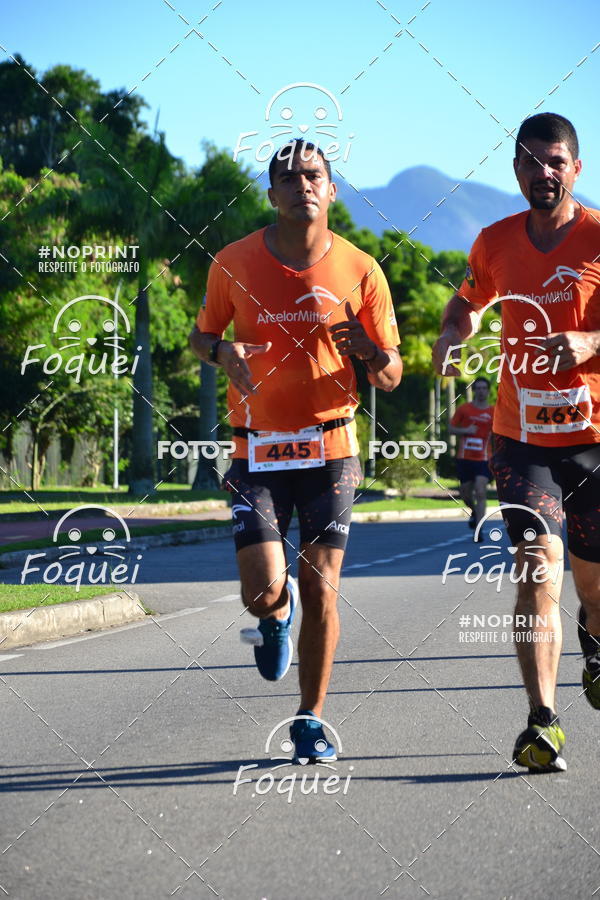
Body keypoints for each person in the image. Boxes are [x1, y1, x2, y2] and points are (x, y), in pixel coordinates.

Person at [190, 140, 402, 762]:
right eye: (288, 178)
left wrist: (367, 350)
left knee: (323, 586)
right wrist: (221, 352)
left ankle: (310, 718)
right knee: (261, 589)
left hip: (331, 448)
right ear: (271, 194)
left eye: (313, 176)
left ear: (331, 190)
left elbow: (392, 374)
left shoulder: (362, 269)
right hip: (255, 450)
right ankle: (271, 618)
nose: (301, 185)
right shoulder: (232, 263)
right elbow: (203, 335)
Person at [432, 112, 600, 773]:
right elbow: (468, 302)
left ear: (576, 168)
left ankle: (593, 643)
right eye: (531, 162)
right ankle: (543, 723)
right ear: (517, 171)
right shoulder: (495, 241)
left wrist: (591, 342)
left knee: (592, 583)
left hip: (594, 439)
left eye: (556, 161)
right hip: (521, 438)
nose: (544, 172)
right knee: (537, 567)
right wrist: (455, 332)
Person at [449, 376, 494, 533]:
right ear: (474, 391)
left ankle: (479, 528)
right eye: (478, 388)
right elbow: (451, 428)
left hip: (483, 459)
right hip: (465, 458)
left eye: (484, 388)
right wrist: (465, 431)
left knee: (481, 491)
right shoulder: (464, 409)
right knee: (465, 493)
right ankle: (474, 512)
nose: (481, 391)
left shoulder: (493, 411)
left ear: (488, 391)